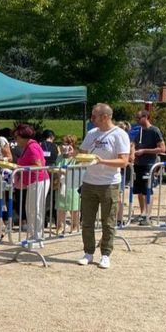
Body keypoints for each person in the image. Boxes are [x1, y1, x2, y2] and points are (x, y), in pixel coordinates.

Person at [77, 103, 130, 269]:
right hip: (89, 182)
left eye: (94, 116)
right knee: (87, 220)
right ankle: (88, 252)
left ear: (105, 117)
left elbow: (124, 161)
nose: (92, 119)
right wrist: (77, 156)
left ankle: (106, 254)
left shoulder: (119, 135)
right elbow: (82, 152)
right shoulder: (92, 133)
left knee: (108, 221)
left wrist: (102, 160)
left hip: (109, 184)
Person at [14, 124, 50, 241]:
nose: (16, 140)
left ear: (23, 137)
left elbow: (38, 165)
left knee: (36, 208)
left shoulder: (31, 147)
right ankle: (34, 234)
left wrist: (19, 166)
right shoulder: (29, 146)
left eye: (17, 137)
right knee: (31, 208)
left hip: (38, 180)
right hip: (33, 181)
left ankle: (38, 235)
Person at [131, 110, 166, 225]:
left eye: (138, 118)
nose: (137, 120)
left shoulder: (154, 130)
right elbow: (134, 144)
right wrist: (133, 152)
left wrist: (145, 151)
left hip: (149, 164)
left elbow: (162, 149)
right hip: (138, 164)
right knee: (140, 191)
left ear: (146, 117)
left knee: (147, 190)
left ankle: (148, 215)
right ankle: (143, 213)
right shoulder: (138, 130)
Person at [54, 135, 82, 235]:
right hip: (61, 184)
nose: (64, 146)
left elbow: (77, 171)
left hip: (73, 184)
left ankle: (75, 225)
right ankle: (60, 226)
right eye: (63, 144)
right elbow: (57, 168)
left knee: (74, 207)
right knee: (60, 207)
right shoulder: (60, 157)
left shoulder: (76, 158)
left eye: (67, 144)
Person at [115, 121, 135, 227]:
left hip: (122, 171)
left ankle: (119, 218)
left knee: (118, 196)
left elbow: (131, 158)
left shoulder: (129, 143)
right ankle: (117, 217)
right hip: (114, 169)